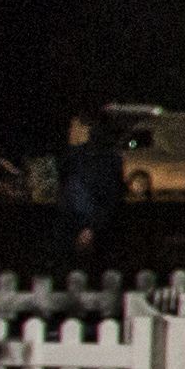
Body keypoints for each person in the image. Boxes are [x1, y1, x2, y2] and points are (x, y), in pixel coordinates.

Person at [55, 110, 122, 272]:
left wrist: (91, 228)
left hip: (95, 230)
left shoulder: (110, 161)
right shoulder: (74, 158)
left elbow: (110, 198)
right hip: (73, 226)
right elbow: (65, 191)